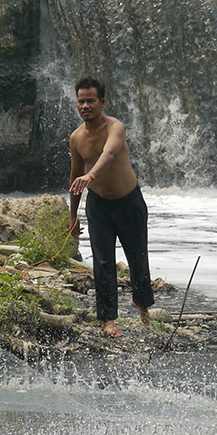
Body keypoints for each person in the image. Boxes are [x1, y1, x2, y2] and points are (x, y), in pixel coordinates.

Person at [68, 77, 154, 338]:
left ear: (101, 102)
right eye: (81, 101)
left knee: (137, 257)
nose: (85, 106)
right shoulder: (76, 138)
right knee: (103, 262)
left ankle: (142, 305)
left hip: (129, 202)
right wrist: (73, 215)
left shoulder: (115, 127)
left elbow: (110, 153)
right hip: (98, 207)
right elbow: (74, 177)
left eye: (90, 101)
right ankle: (108, 319)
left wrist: (90, 176)